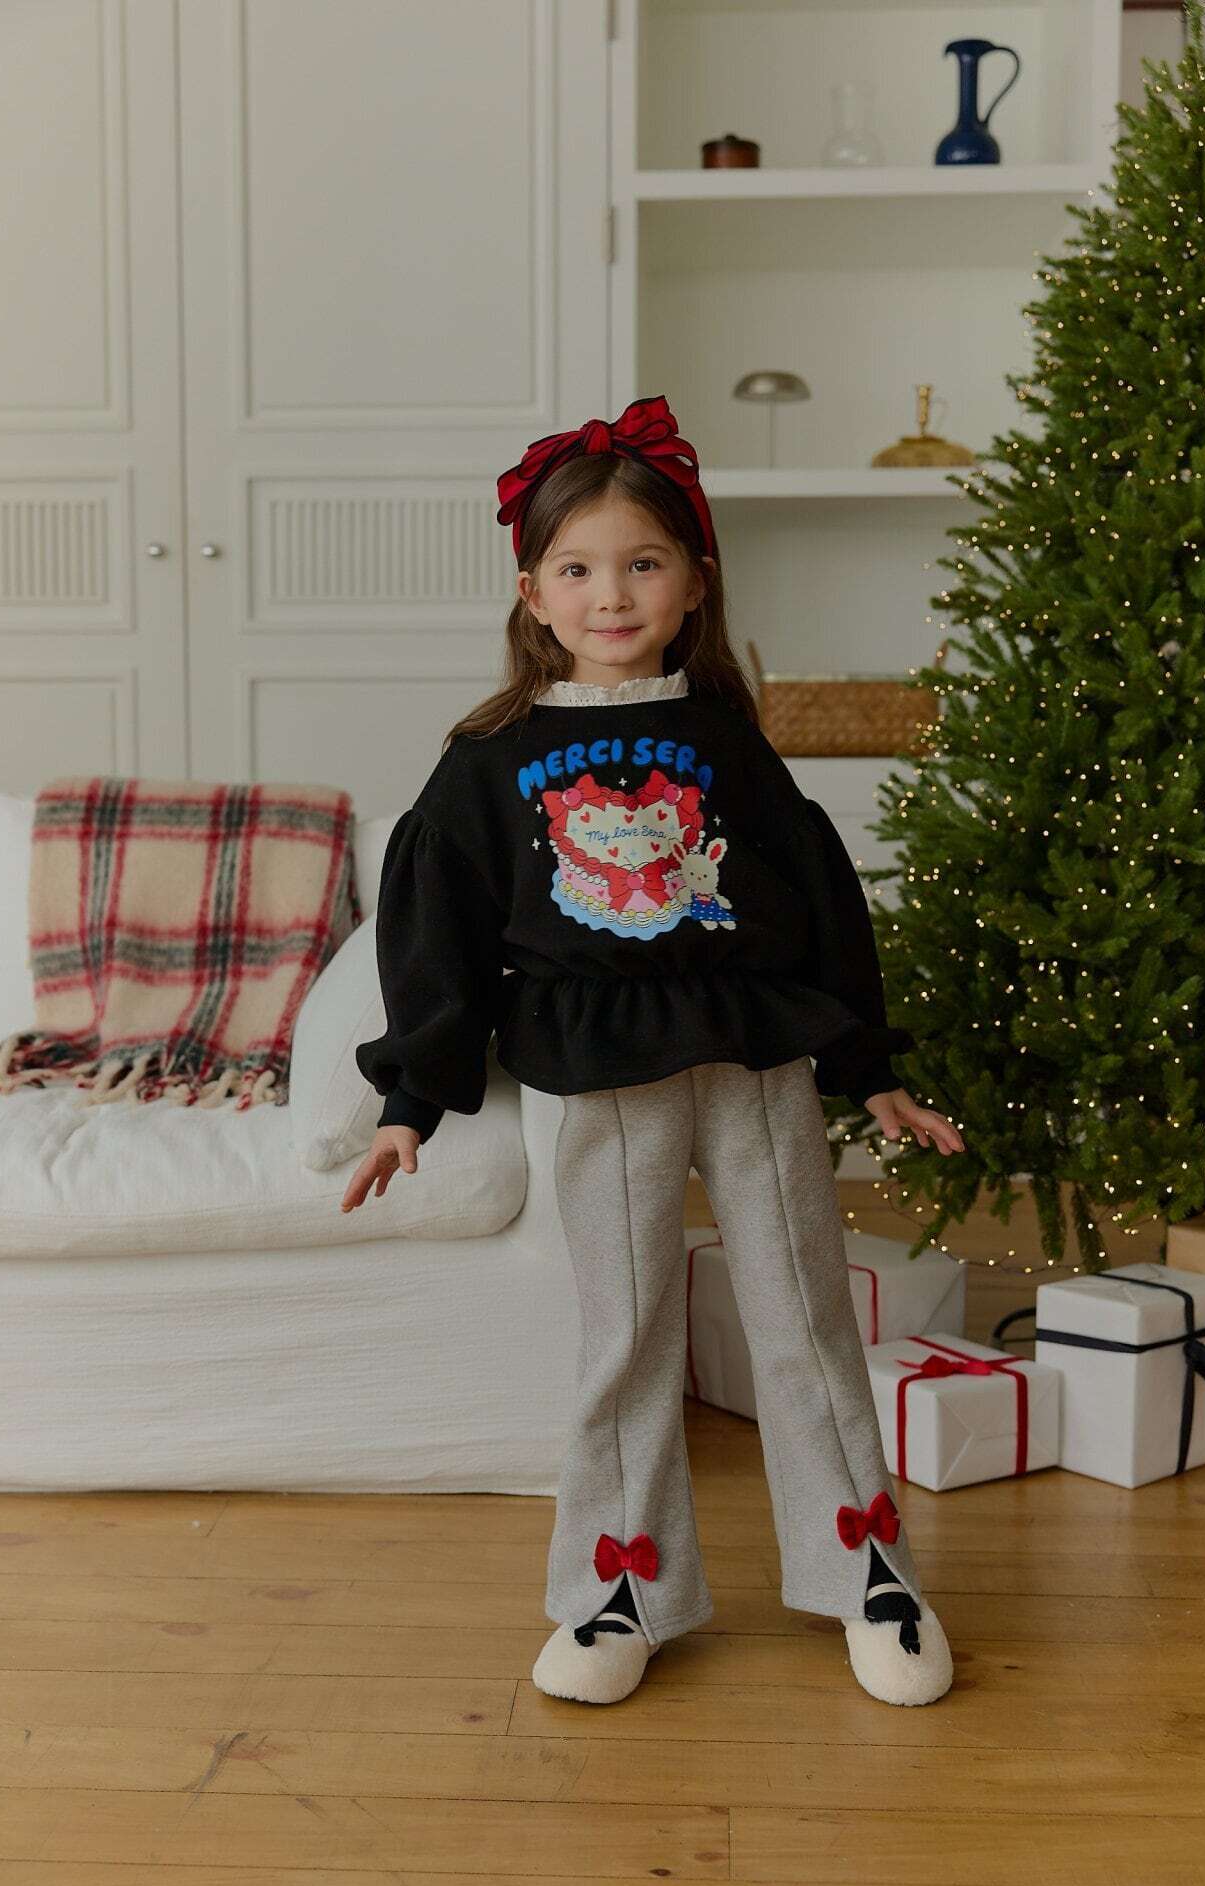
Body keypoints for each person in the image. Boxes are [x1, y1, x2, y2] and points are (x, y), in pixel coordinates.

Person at [341, 395, 966, 1709]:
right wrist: (410, 1099)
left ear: (693, 583)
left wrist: (870, 1069)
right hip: (599, 1070)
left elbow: (818, 904)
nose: (611, 594)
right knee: (625, 1335)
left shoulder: (729, 742)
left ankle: (866, 1570)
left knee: (803, 1315)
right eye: (577, 569)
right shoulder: (487, 763)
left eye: (642, 563)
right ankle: (616, 1589)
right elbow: (437, 931)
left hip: (751, 1056)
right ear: (532, 594)